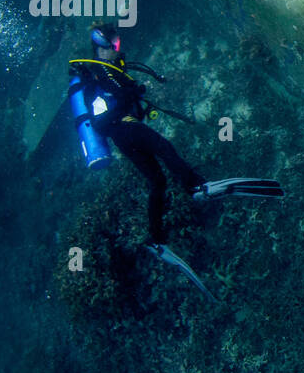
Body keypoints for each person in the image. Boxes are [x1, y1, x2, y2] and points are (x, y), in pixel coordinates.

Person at [68, 24, 284, 299]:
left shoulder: (103, 72)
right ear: (102, 47)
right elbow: (112, 107)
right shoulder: (102, 70)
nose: (119, 49)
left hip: (123, 135)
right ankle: (196, 187)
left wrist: (133, 95)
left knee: (156, 182)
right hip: (124, 128)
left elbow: (117, 101)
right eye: (116, 45)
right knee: (163, 146)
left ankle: (156, 239)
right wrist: (133, 93)